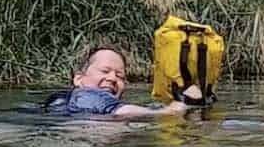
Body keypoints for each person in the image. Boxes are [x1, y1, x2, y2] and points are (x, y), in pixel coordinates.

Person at [41, 46, 202, 119]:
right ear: (78, 79)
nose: (112, 78)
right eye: (104, 71)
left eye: (119, 76)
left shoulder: (66, 102)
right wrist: (176, 107)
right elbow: (119, 111)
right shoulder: (85, 95)